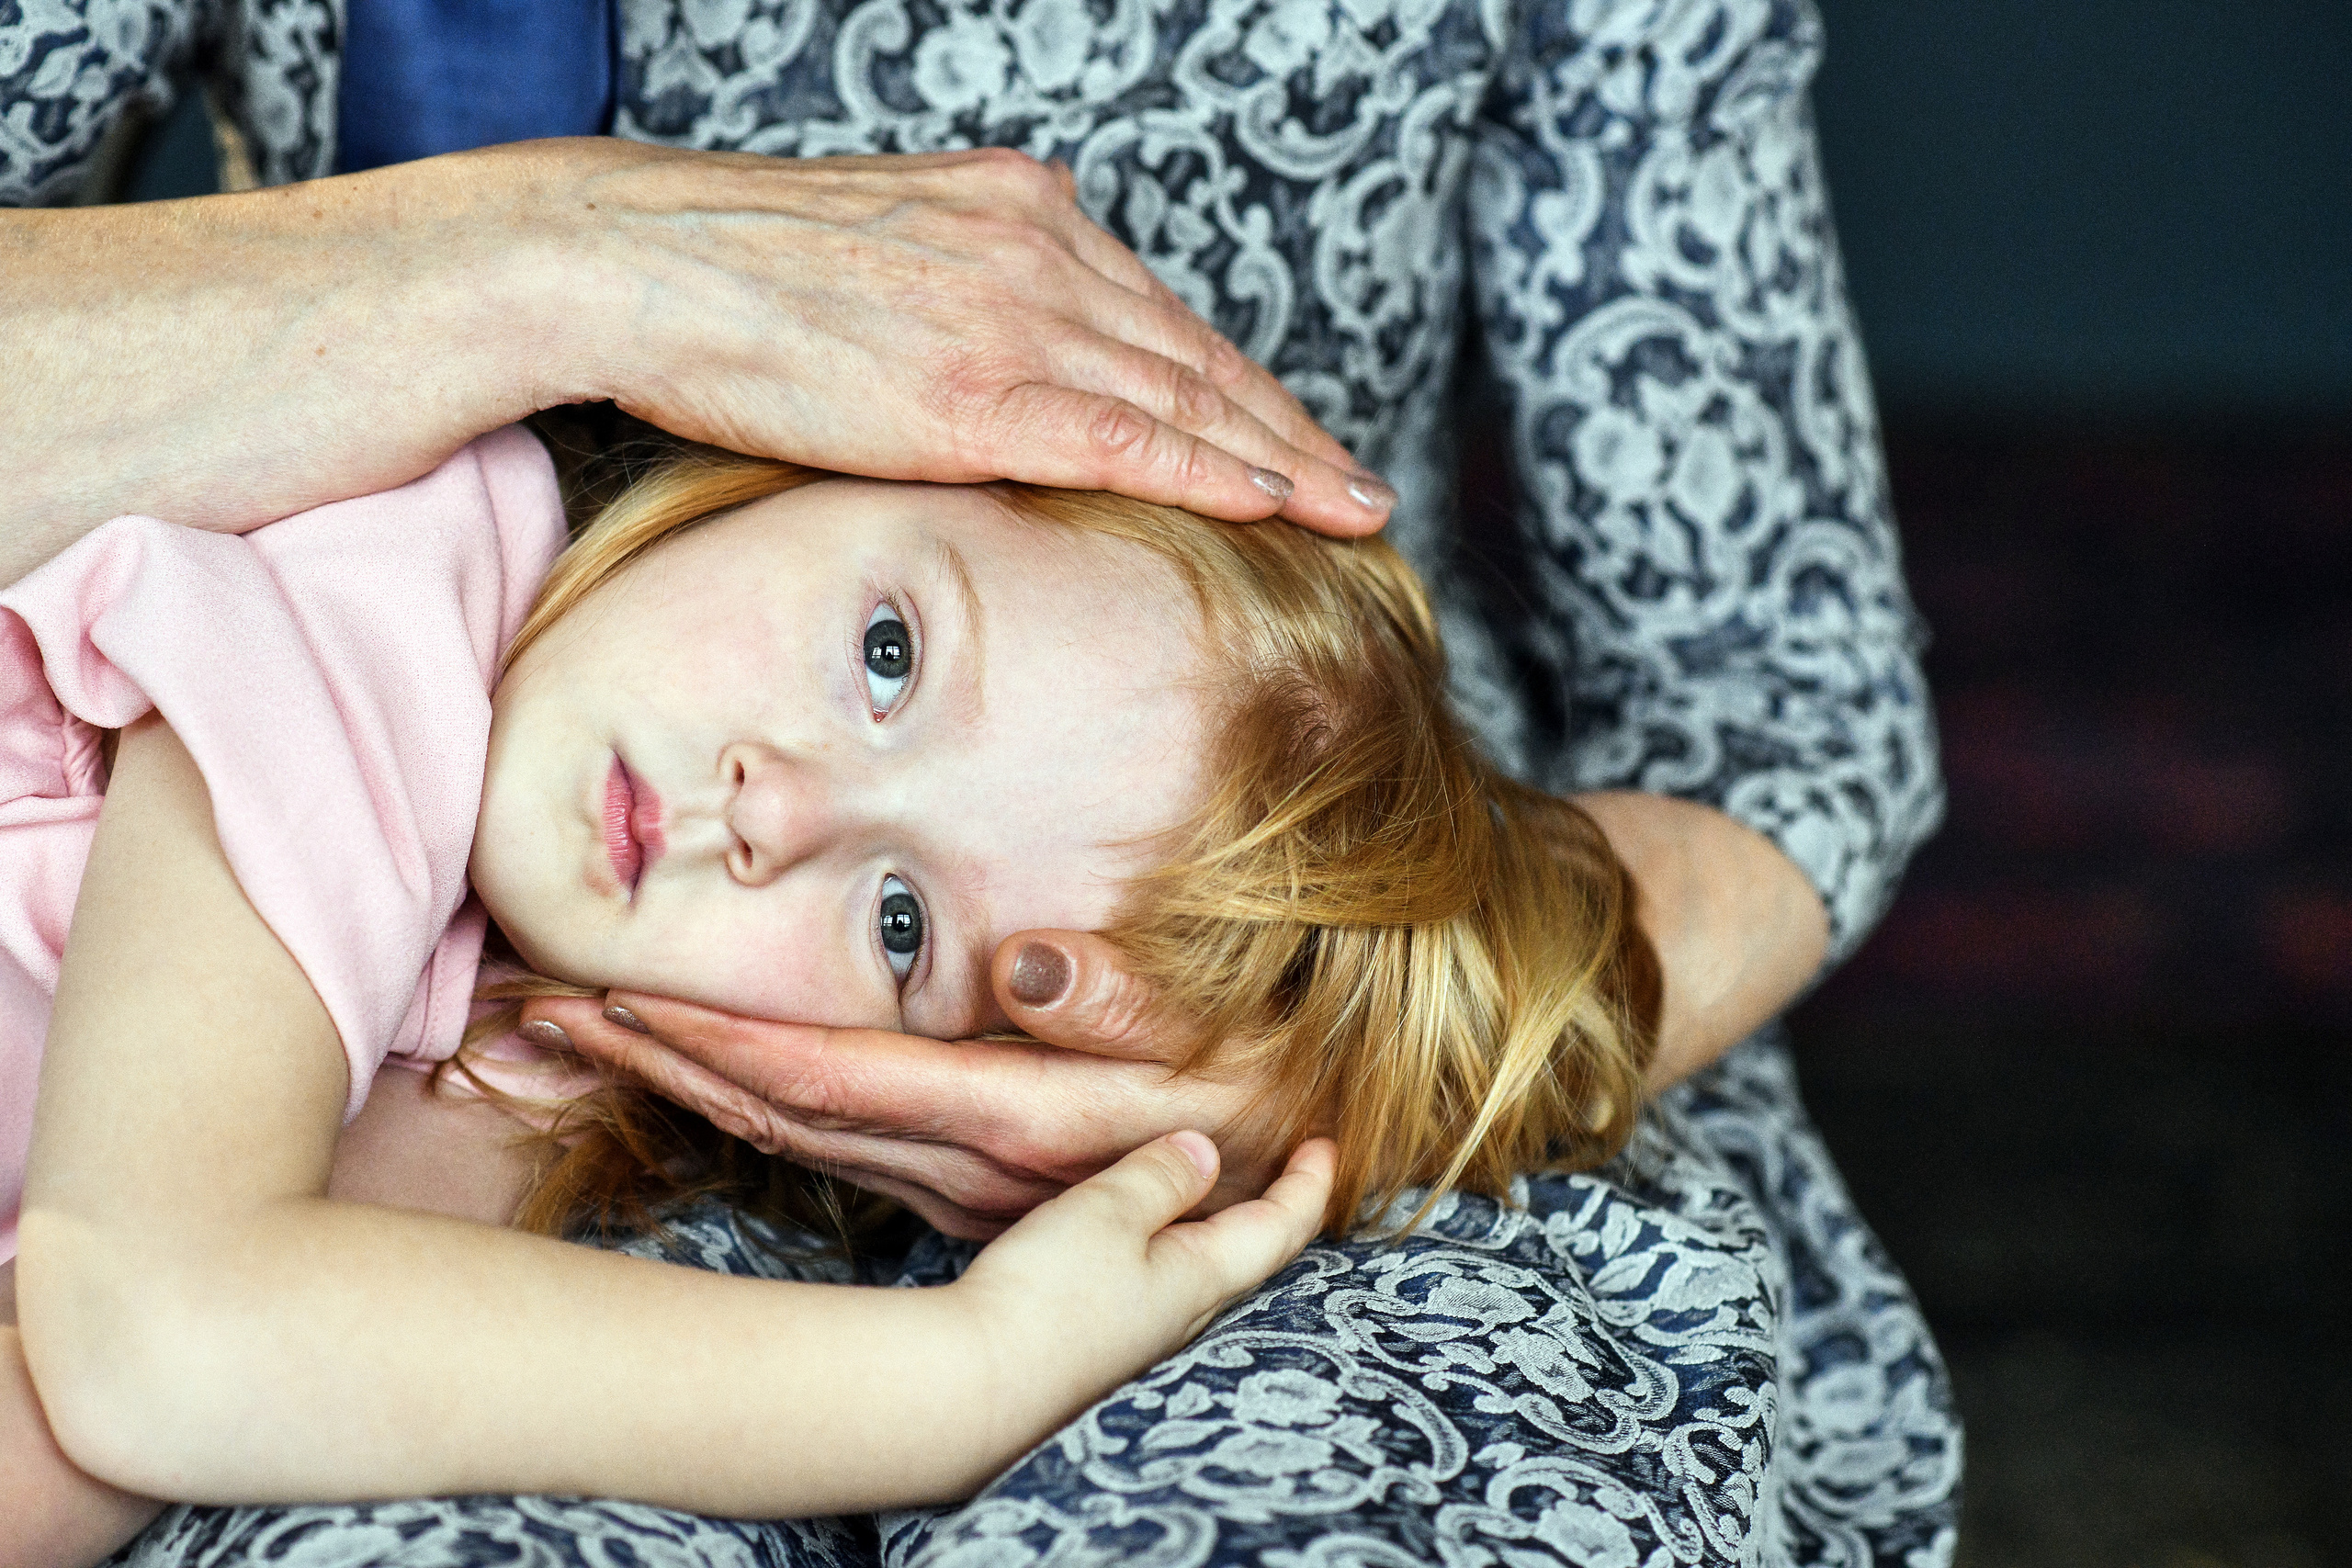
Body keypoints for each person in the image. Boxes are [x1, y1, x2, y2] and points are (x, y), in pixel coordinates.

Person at [3, 0, 1961, 1560]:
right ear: (801, 449)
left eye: (901, 916)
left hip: (1283, 1042)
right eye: (884, 650)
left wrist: (1295, 1077)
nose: (780, 806)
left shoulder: (579, 996)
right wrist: (949, 1369)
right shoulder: (371, 610)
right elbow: (160, 1334)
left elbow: (1786, 730)